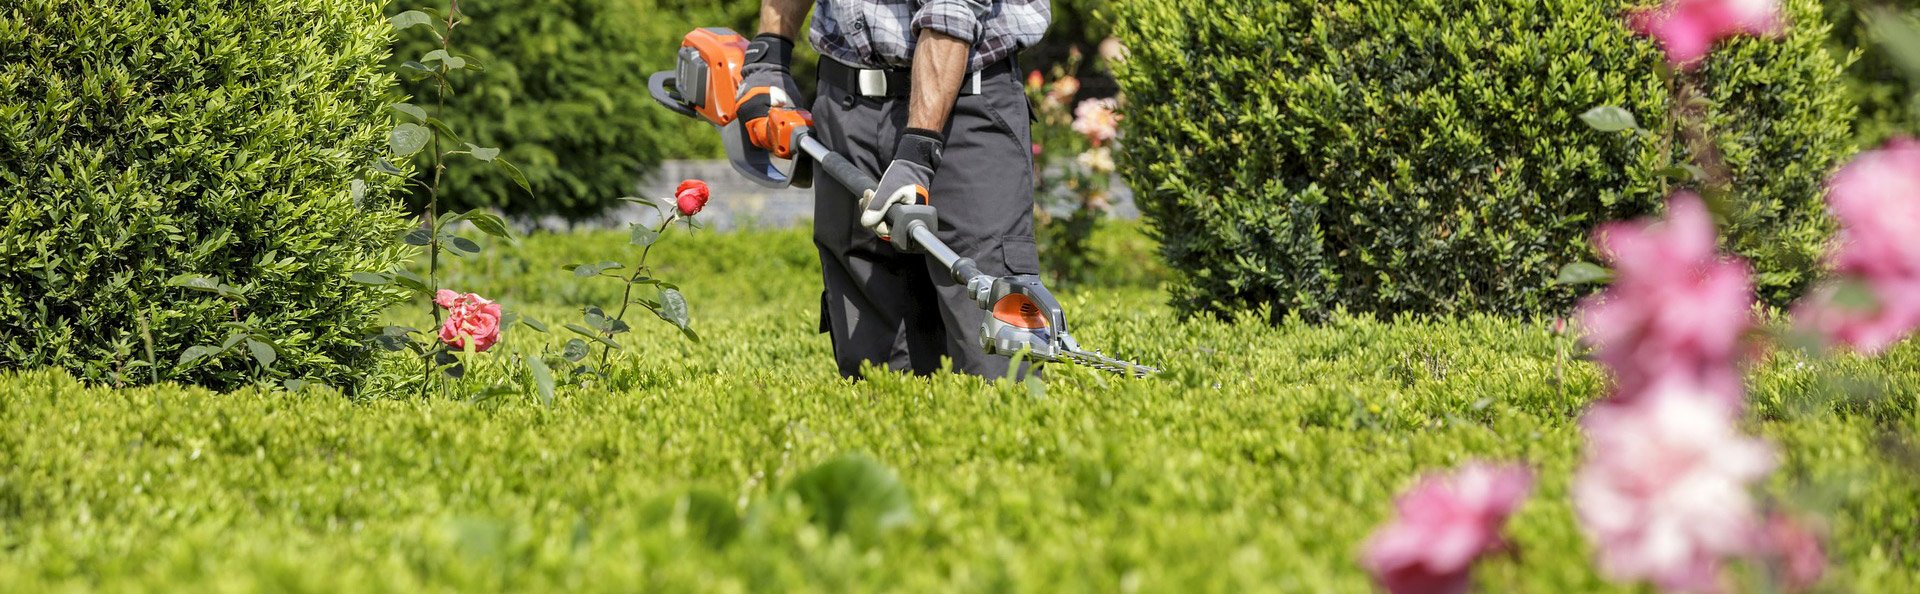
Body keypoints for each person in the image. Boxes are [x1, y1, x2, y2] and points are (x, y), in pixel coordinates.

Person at [741, 0, 1052, 379]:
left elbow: (950, 12)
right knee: (872, 362)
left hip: (966, 104)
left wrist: (917, 151)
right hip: (845, 105)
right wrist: (768, 55)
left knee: (997, 355)